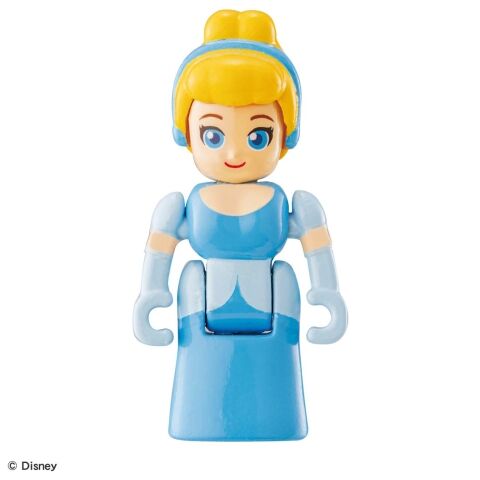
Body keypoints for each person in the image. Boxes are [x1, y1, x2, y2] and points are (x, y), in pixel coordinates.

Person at [133, 9, 347, 441]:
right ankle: (200, 418)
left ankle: (276, 416)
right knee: (192, 276)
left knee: (283, 276)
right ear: (186, 133)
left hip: (276, 316)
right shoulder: (179, 207)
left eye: (257, 136)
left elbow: (316, 249)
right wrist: (151, 294)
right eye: (213, 135)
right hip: (199, 315)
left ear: (286, 134)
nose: (234, 153)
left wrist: (328, 292)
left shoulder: (294, 205)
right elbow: (161, 251)